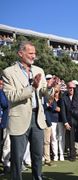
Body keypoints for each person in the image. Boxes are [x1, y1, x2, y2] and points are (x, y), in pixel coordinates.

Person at [2, 41, 57, 180]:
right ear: (21, 54)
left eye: (34, 53)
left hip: (37, 119)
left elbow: (44, 92)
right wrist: (32, 87)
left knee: (38, 155)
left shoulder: (39, 70)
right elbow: (11, 96)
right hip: (18, 119)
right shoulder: (8, 72)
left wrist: (50, 87)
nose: (34, 56)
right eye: (31, 53)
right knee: (17, 157)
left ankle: (37, 177)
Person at [60, 81, 77, 161]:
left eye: (73, 88)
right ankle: (72, 156)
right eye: (70, 88)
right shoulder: (64, 97)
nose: (71, 89)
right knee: (71, 139)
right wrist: (65, 122)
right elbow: (63, 111)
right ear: (67, 88)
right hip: (69, 121)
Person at [0, 76, 9, 175]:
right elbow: (5, 104)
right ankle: (6, 164)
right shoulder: (2, 92)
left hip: (17, 121)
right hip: (7, 122)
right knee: (7, 144)